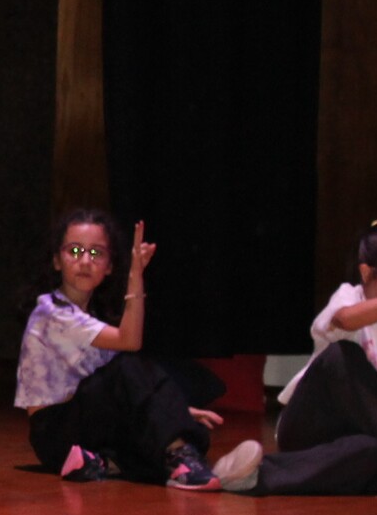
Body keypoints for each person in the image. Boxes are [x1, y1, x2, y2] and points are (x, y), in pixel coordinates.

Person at [16, 208, 243, 490]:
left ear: (109, 266)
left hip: (81, 429)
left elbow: (125, 391)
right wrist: (136, 274)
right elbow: (130, 343)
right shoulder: (52, 313)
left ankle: (102, 463)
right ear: (56, 260)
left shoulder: (90, 317)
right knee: (129, 366)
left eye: (96, 253)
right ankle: (181, 459)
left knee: (170, 424)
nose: (85, 261)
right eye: (74, 250)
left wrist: (174, 409)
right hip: (55, 434)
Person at [236, 220, 377, 496]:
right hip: (308, 423)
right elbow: (345, 320)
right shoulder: (348, 296)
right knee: (343, 352)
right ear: (366, 273)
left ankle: (253, 476)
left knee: (370, 451)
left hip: (356, 437)